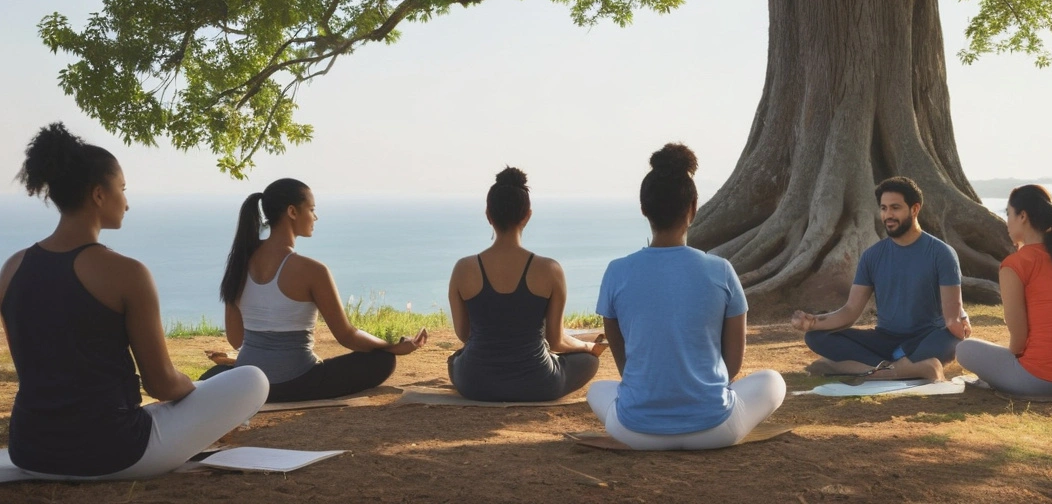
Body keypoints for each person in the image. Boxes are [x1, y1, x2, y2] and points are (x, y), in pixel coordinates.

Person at [1, 123, 267, 479]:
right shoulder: (127, 273)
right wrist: (192, 387)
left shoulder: (13, 267)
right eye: (122, 189)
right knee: (252, 380)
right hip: (115, 452)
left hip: (30, 451)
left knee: (204, 389)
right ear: (98, 195)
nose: (126, 201)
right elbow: (161, 385)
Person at [587, 144, 785, 450]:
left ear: (644, 209)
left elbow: (626, 365)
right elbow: (731, 367)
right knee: (774, 381)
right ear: (693, 208)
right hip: (716, 429)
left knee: (597, 390)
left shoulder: (617, 271)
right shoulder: (721, 270)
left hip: (636, 432)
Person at [200, 178, 427, 401]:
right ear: (292, 211)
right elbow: (347, 336)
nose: (315, 217)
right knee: (382, 361)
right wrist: (391, 347)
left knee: (212, 378)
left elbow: (236, 338)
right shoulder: (312, 270)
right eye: (311, 209)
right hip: (295, 384)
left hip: (248, 382)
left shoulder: (240, 261)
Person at [446, 167, 606, 401]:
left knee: (455, 360)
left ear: (488, 215)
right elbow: (556, 341)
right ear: (527, 215)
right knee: (589, 361)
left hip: (475, 383)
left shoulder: (463, 268)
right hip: (538, 384)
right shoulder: (550, 270)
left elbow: (464, 335)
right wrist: (586, 347)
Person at [791, 176, 969, 381]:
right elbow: (850, 311)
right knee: (816, 337)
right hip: (884, 341)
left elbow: (952, 317)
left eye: (895, 208)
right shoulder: (872, 256)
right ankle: (903, 369)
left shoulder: (942, 253)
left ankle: (855, 368)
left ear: (915, 209)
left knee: (949, 339)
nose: (888, 215)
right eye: (883, 208)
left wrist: (962, 324)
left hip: (925, 339)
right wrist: (812, 323)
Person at [956, 185, 1052, 396]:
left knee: (964, 349)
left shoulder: (1015, 264)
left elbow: (1018, 340)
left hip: (1043, 379)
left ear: (1023, 216)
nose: (1007, 222)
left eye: (1008, 214)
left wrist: (1009, 366)